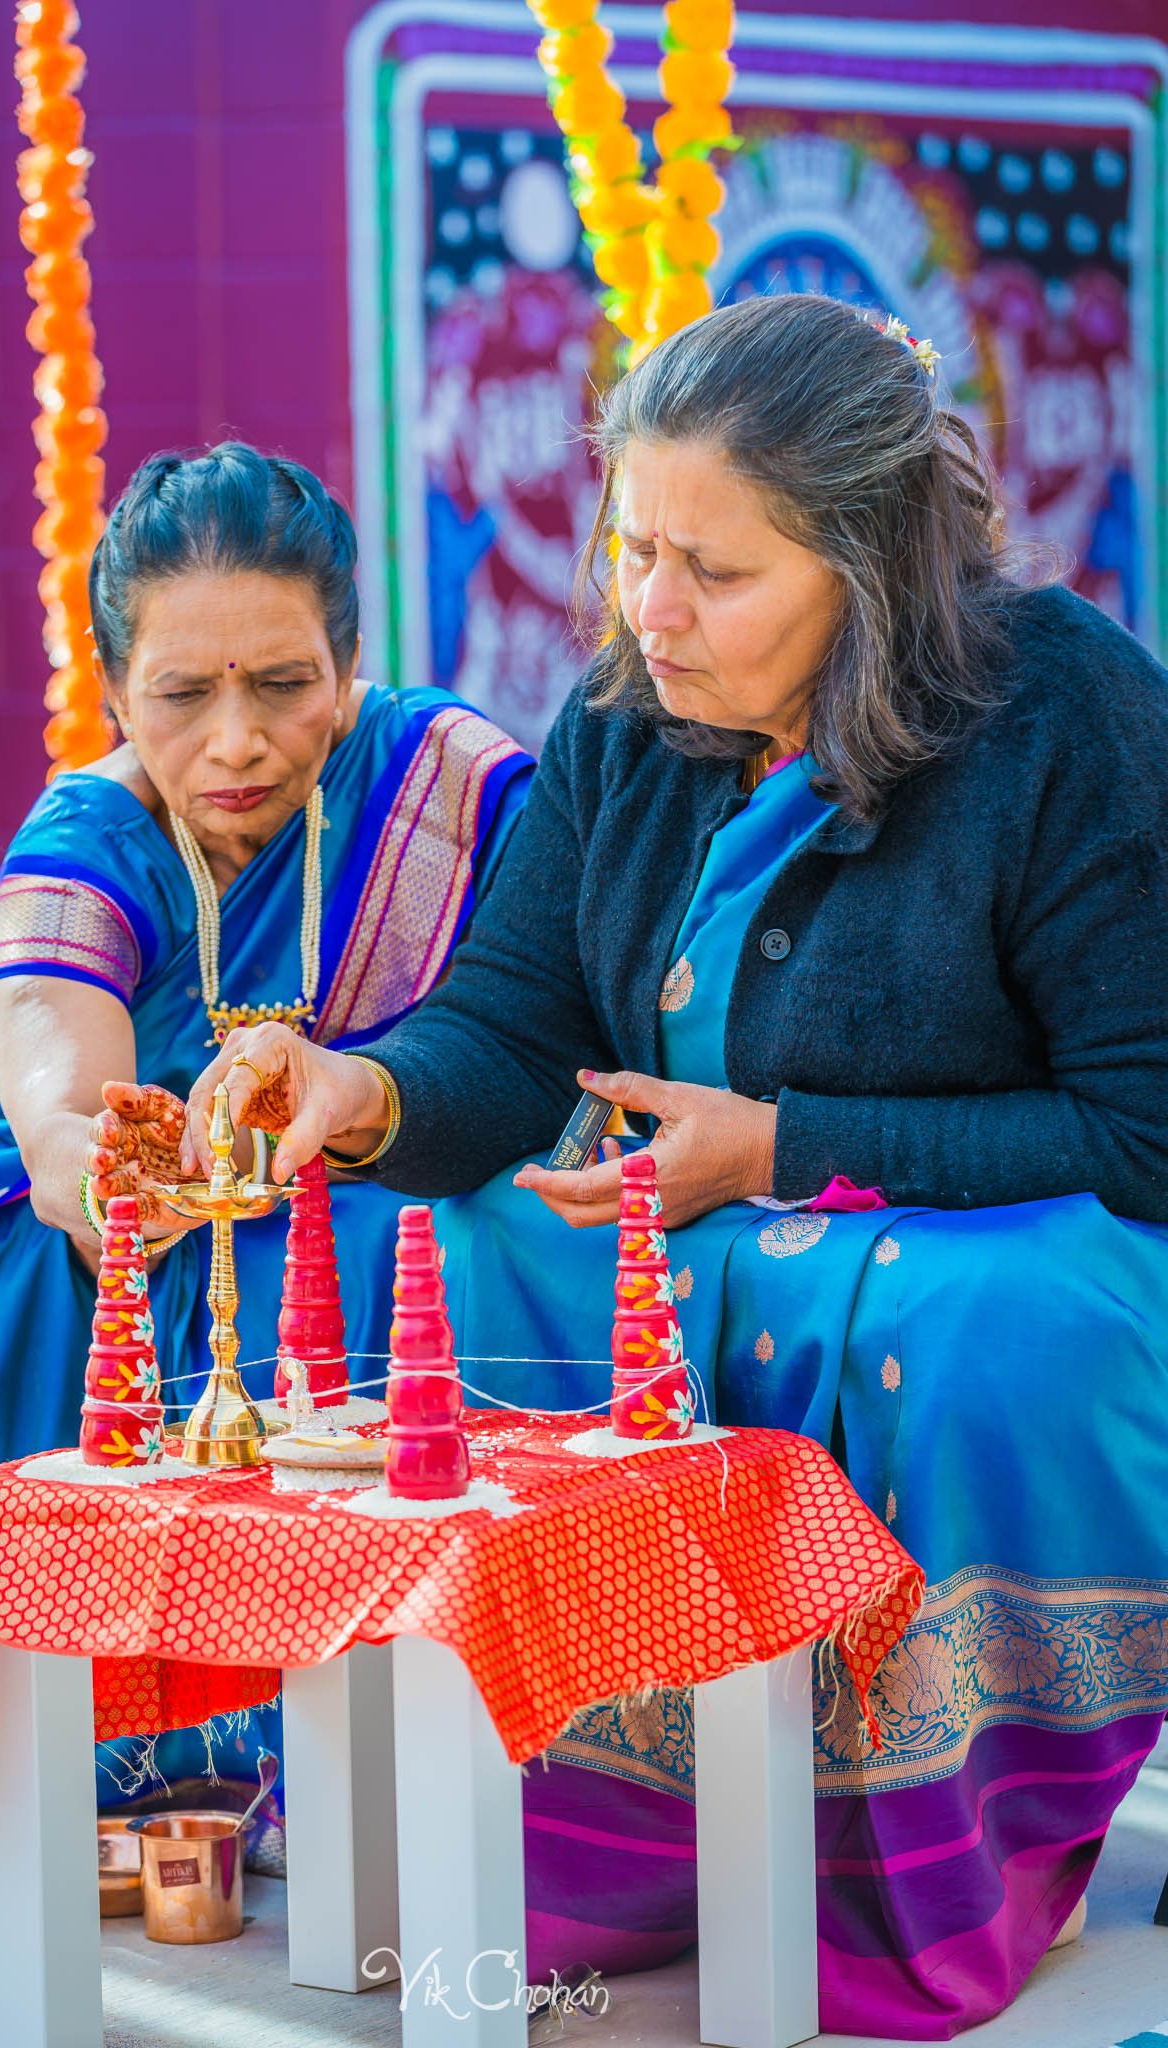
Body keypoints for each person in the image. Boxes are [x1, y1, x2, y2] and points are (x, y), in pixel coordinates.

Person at [176, 300, 1168, 2038]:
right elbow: (509, 1030)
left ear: (867, 568)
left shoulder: (1061, 710)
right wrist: (348, 1088)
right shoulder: (634, 716)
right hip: (696, 1219)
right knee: (452, 1244)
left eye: (710, 569)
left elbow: (1144, 1126)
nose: (646, 608)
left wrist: (792, 1150)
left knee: (978, 1320)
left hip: (1008, 1240)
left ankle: (934, 1859)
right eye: (630, 547)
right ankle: (594, 1840)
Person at [0, 443, 532, 1524]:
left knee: (456, 1245)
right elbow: (63, 1131)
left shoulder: (442, 784)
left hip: (365, 1198)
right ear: (115, 689)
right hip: (53, 1255)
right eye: (182, 694)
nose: (235, 742)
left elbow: (531, 1031)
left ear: (347, 667)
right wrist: (122, 1182)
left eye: (285, 686)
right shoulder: (88, 838)